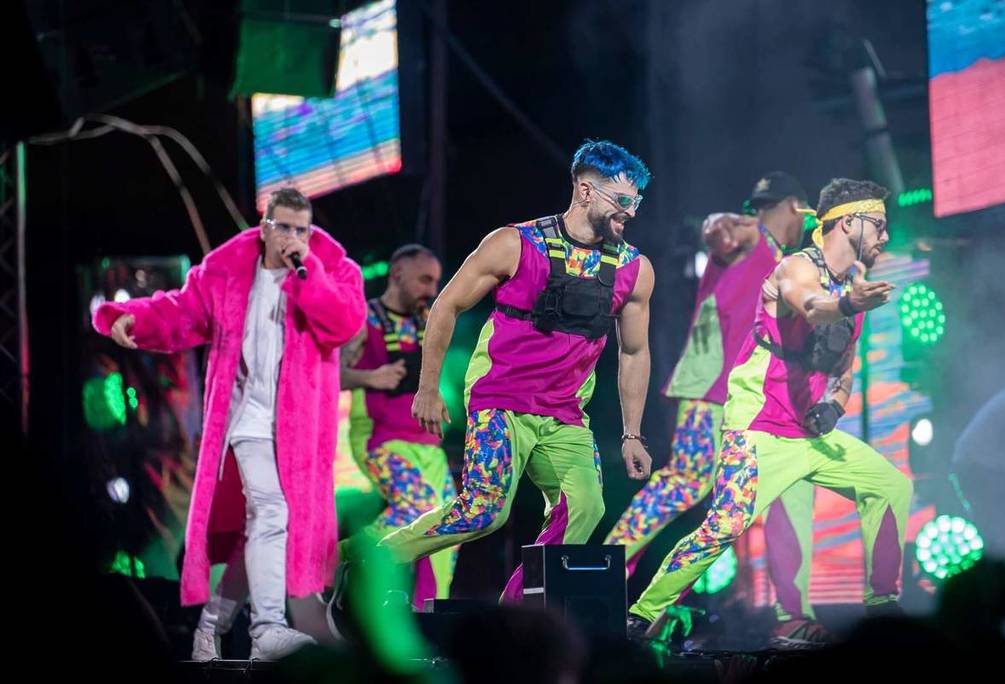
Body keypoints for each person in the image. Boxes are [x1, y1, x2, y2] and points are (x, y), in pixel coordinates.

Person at [345, 140, 655, 601]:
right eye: (622, 199)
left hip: (566, 414)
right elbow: (446, 306)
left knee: (587, 507)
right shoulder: (515, 243)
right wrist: (427, 388)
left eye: (636, 201)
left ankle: (519, 612)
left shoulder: (634, 268)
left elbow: (634, 352)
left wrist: (632, 434)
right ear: (586, 191)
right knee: (484, 512)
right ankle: (372, 556)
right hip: (500, 400)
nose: (630, 211)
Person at [627, 178, 912, 637]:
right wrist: (846, 303)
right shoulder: (795, 268)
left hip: (808, 433)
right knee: (724, 525)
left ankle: (881, 606)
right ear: (847, 223)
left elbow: (843, 371)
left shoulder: (850, 291)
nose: (885, 235)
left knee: (890, 485)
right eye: (878, 225)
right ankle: (642, 613)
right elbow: (813, 306)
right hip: (758, 426)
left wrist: (834, 408)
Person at [93, 188, 365, 660]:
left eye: (302, 230)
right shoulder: (226, 270)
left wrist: (310, 275)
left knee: (260, 530)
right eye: (284, 227)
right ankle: (266, 630)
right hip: (245, 420)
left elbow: (344, 323)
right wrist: (128, 316)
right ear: (265, 227)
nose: (293, 238)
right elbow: (179, 311)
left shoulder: (332, 268)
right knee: (272, 513)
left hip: (299, 433)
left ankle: (210, 627)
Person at [341, 244, 458, 608]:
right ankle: (338, 558)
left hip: (429, 445)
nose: (431, 290)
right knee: (414, 509)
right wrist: (371, 377)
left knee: (452, 526)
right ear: (396, 275)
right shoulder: (364, 319)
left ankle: (429, 612)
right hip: (382, 439)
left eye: (435, 282)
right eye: (424, 280)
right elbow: (330, 375)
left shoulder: (429, 322)